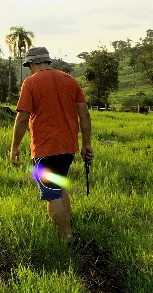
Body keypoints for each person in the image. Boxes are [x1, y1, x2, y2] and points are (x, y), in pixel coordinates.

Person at [9, 46, 93, 242]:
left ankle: (65, 237)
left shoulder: (30, 83)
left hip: (45, 147)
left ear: (33, 63)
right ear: (47, 61)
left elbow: (22, 118)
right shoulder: (70, 80)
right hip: (68, 147)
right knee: (59, 185)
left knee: (50, 193)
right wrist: (86, 143)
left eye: (29, 65)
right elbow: (84, 114)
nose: (29, 69)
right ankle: (68, 228)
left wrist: (14, 146)